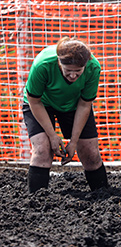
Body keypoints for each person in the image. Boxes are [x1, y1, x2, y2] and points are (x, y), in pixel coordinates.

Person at [23, 36, 108, 193]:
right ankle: (36, 200)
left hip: (75, 105)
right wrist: (53, 136)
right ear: (59, 63)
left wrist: (73, 142)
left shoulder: (93, 68)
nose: (73, 76)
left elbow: (84, 104)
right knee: (43, 149)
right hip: (42, 103)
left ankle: (103, 197)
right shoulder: (43, 64)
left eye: (78, 71)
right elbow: (34, 101)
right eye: (68, 71)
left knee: (90, 151)